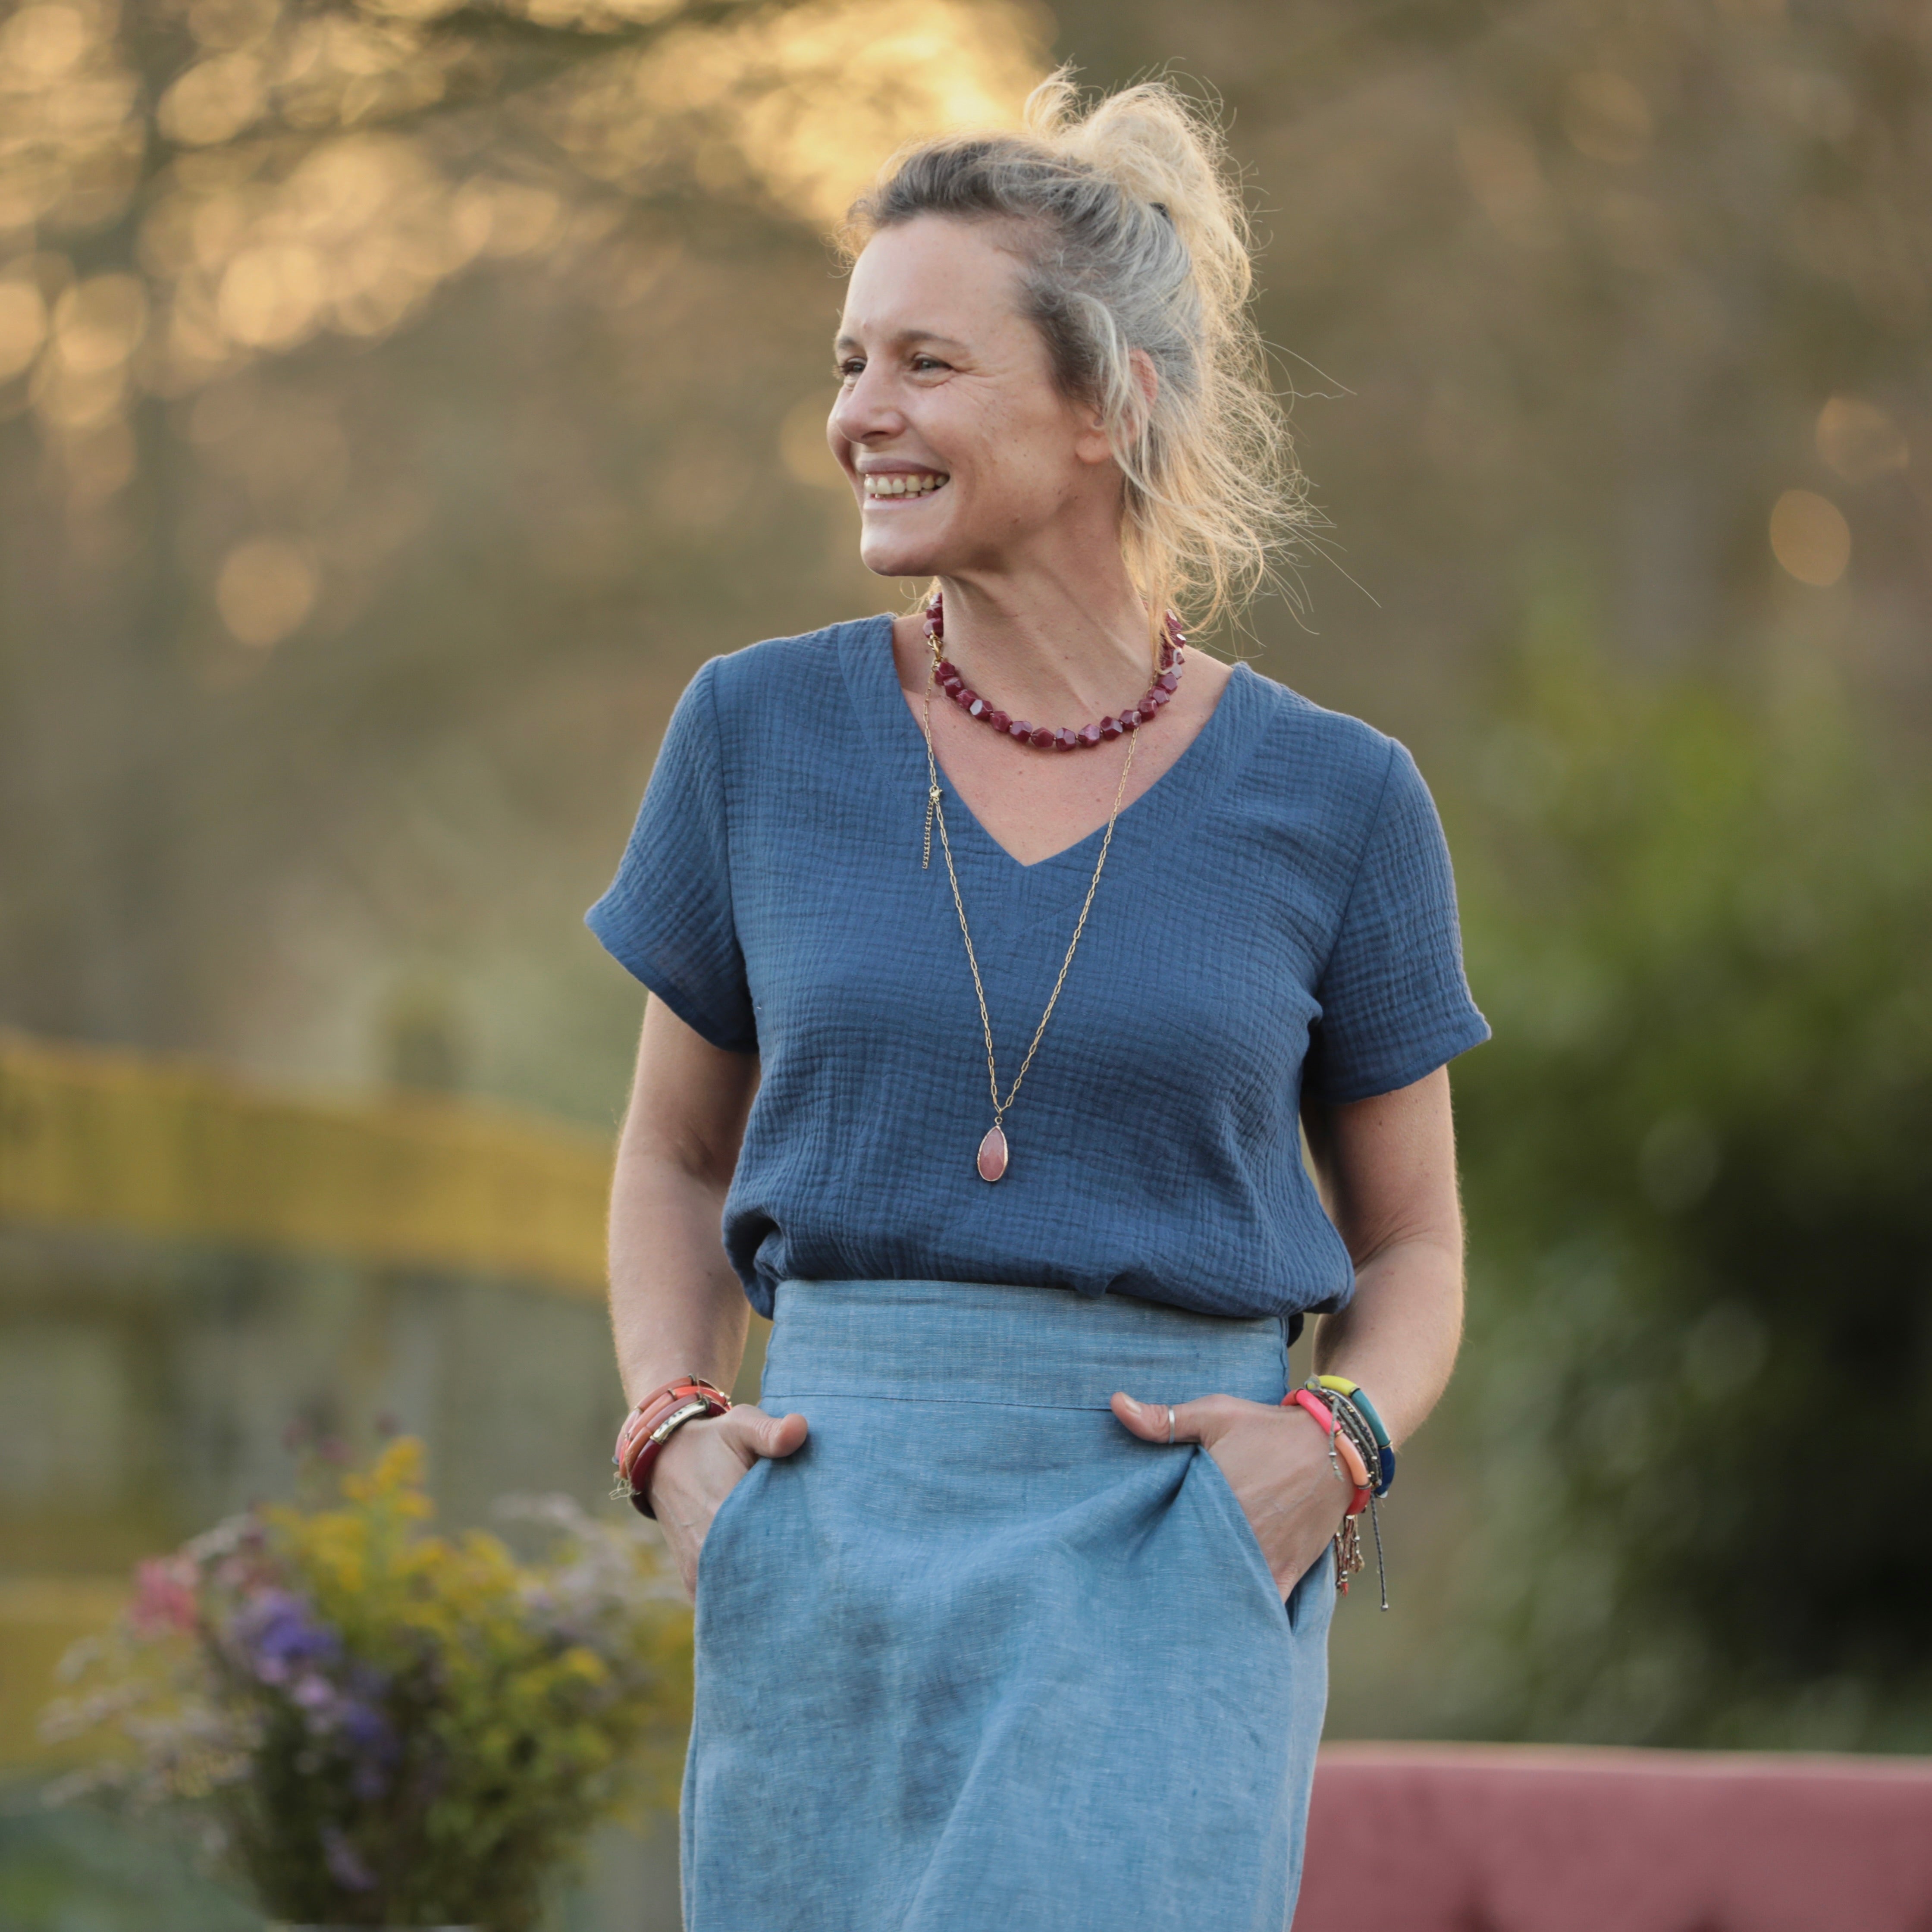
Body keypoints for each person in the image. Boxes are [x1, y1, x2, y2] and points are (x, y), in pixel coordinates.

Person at [586, 69, 1488, 1932]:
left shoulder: (1339, 801)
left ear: (1108, 407)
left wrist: (1329, 1453)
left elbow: (1414, 1245)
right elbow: (673, 1156)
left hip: (1173, 1545)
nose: (859, 414)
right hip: (827, 1540)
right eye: (849, 362)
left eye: (926, 363)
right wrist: (672, 1433)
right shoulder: (754, 734)